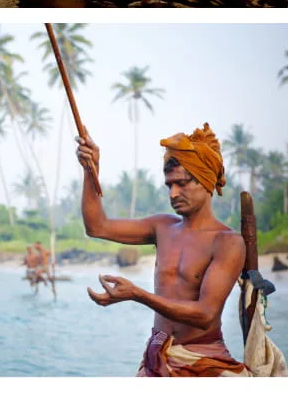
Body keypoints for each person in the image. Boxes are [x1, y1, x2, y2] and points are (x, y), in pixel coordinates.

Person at [76, 123, 250, 377]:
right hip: (157, 355)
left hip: (203, 359)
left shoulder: (227, 242)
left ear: (205, 180)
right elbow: (97, 227)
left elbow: (205, 314)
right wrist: (91, 169)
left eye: (181, 183)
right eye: (169, 185)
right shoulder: (163, 227)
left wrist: (137, 294)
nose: (173, 193)